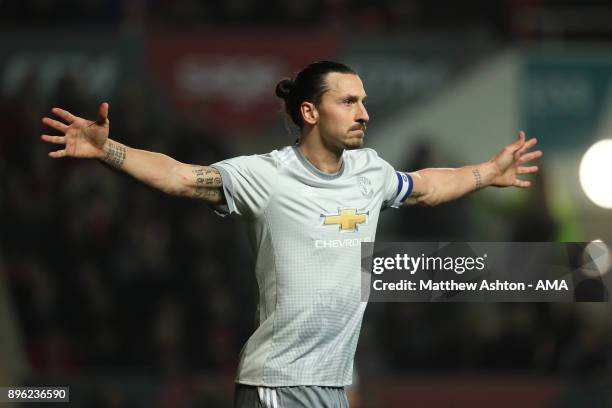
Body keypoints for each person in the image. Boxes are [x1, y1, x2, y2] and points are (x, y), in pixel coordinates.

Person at [41, 61, 542, 407]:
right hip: (278, 383)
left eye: (363, 101)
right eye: (348, 102)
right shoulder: (266, 175)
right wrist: (108, 151)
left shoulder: (369, 171)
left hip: (333, 385)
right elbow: (179, 176)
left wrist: (486, 173)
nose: (364, 113)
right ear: (309, 112)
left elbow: (427, 187)